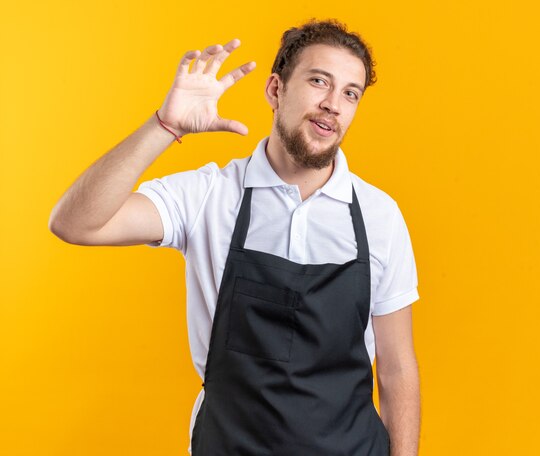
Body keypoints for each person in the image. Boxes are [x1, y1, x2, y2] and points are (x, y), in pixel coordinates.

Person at [49, 18, 421, 456]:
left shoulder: (379, 216)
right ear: (275, 90)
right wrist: (164, 127)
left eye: (350, 93)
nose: (333, 105)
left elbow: (397, 370)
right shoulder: (207, 195)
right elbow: (75, 224)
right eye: (319, 81)